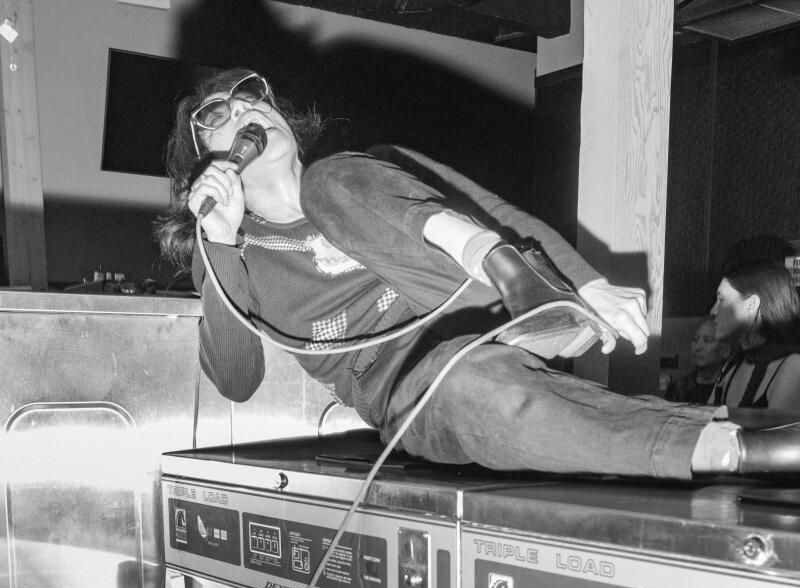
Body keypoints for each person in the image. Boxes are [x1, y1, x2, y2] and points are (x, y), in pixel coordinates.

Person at [156, 68, 800, 480]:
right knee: (471, 386)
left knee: (332, 181)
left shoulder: (368, 169)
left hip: (485, 295)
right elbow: (236, 381)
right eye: (215, 117)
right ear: (207, 162)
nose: (244, 111)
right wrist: (220, 241)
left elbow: (495, 211)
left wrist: (587, 282)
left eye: (253, 97)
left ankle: (525, 289)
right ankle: (730, 449)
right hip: (419, 386)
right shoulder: (235, 256)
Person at [710, 259, 800, 411]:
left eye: (721, 299)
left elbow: (776, 434)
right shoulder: (733, 363)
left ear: (751, 304)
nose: (713, 311)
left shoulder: (794, 367)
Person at [665, 318, 732, 406]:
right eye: (695, 339)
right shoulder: (678, 389)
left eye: (707, 340)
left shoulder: (732, 389)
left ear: (726, 350)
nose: (698, 347)